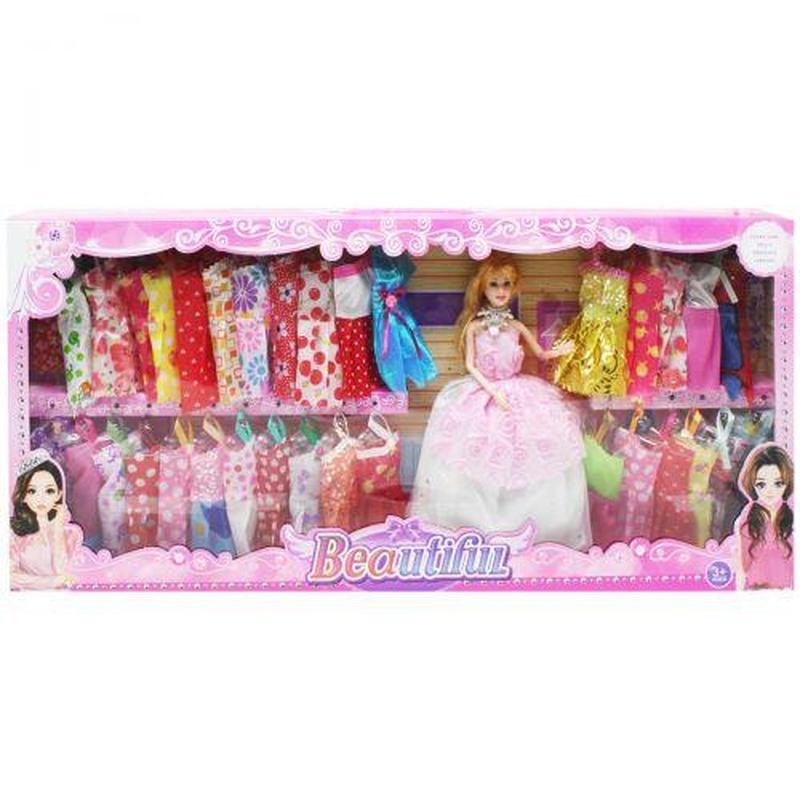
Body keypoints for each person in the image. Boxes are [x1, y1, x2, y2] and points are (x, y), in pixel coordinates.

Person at [410, 252, 591, 549]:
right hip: (484, 393)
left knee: (527, 456)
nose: (501, 291)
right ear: (483, 287)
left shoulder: (516, 327)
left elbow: (540, 353)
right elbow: (471, 365)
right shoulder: (474, 327)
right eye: (494, 284)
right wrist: (492, 392)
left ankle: (529, 528)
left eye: (506, 284)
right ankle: (475, 530)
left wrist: (561, 350)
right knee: (477, 457)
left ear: (515, 287)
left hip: (518, 392)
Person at [10, 449, 82, 589]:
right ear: (23, 496)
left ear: (58, 494)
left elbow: (62, 570)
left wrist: (57, 529)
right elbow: (9, 577)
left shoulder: (71, 534)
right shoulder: (15, 533)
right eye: (32, 491)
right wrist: (51, 582)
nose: (41, 498)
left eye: (49, 491)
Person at [735, 444, 794, 590]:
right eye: (761, 484)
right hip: (756, 590)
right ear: (752, 484)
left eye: (778, 483)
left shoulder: (791, 513)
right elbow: (742, 564)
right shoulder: (748, 516)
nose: (770, 491)